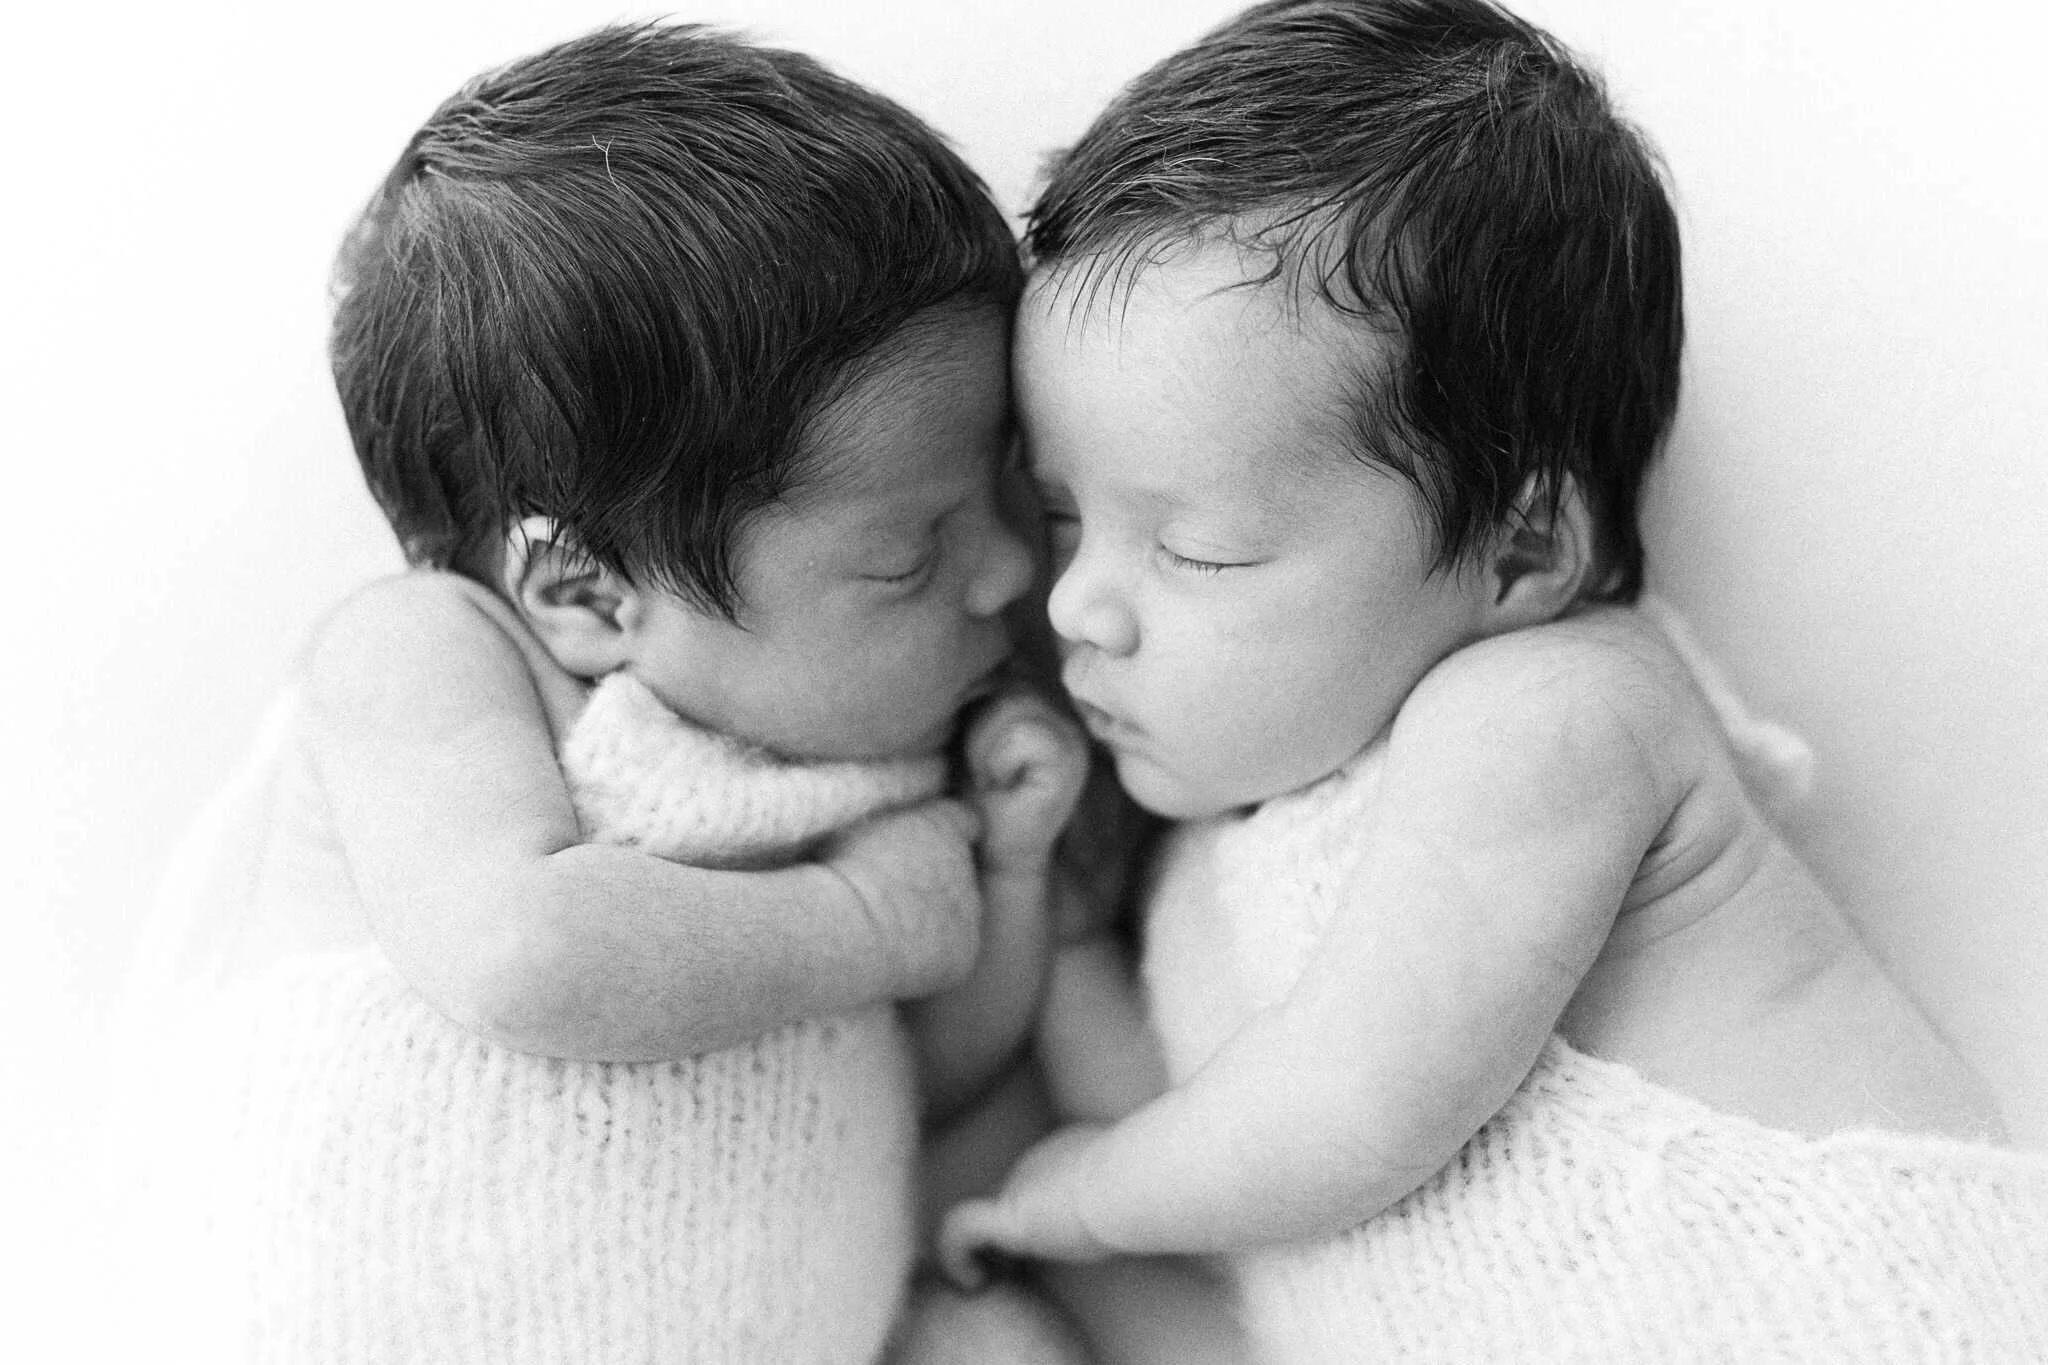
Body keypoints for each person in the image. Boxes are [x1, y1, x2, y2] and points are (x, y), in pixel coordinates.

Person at [939, 1, 2048, 1358]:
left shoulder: (1552, 712)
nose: (1075, 605)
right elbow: (1206, 1141)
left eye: (1197, 550)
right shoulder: (1201, 867)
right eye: (1060, 516)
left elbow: (1339, 1115)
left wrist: (1077, 1197)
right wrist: (1048, 922)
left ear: (1523, 549)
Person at [129, 22, 1097, 1363]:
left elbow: (908, 1088)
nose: (1008, 568)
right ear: (583, 595)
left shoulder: (873, 760)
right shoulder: (432, 663)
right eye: (909, 552)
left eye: (1007, 482)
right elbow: (521, 955)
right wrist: (866, 918)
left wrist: (1002, 887)